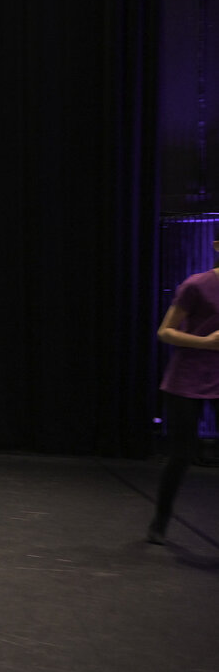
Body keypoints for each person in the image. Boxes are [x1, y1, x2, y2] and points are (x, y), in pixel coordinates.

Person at [150, 232, 219, 544]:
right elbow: (165, 332)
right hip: (186, 380)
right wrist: (205, 343)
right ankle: (159, 522)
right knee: (181, 455)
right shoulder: (196, 285)